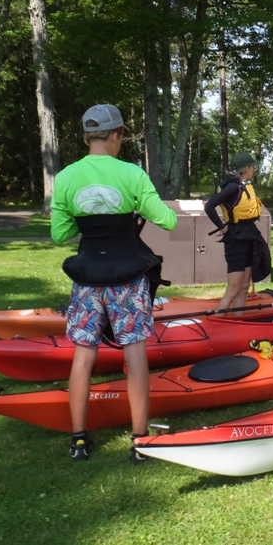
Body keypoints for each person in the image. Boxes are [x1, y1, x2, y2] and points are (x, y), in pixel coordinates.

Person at [51, 104, 177, 463]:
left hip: (88, 277)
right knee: (134, 355)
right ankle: (140, 442)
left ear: (86, 137)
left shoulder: (66, 178)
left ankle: (78, 441)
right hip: (128, 279)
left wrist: (90, 222)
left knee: (83, 355)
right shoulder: (132, 174)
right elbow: (166, 220)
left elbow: (60, 234)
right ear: (117, 135)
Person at [204, 152, 271, 313]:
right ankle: (216, 324)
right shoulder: (232, 187)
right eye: (252, 166)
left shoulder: (243, 185)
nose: (254, 169)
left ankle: (238, 320)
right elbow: (209, 206)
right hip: (236, 240)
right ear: (246, 168)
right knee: (234, 289)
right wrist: (221, 227)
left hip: (249, 236)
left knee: (243, 288)